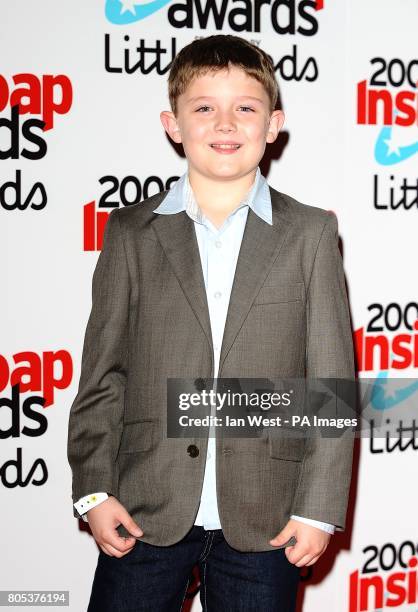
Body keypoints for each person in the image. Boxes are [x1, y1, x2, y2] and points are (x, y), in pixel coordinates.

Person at [67, 34, 355, 612]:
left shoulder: (310, 235)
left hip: (266, 520)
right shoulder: (130, 234)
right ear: (173, 123)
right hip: (144, 510)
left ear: (273, 124)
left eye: (245, 108)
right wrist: (93, 490)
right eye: (204, 108)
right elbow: (103, 375)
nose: (226, 123)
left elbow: (329, 389)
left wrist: (318, 508)